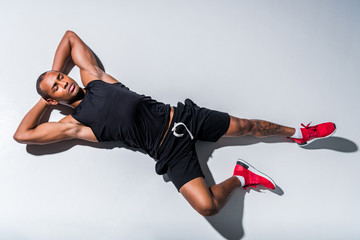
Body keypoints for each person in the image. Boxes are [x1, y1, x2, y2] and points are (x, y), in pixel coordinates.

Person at [14, 31, 336, 217]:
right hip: (167, 151)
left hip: (183, 118)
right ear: (54, 100)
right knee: (207, 207)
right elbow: (22, 135)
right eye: (55, 87)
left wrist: (50, 72)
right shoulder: (75, 124)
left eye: (60, 77)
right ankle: (242, 177)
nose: (63, 82)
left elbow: (69, 37)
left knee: (248, 125)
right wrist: (46, 100)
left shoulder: (96, 79)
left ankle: (299, 133)